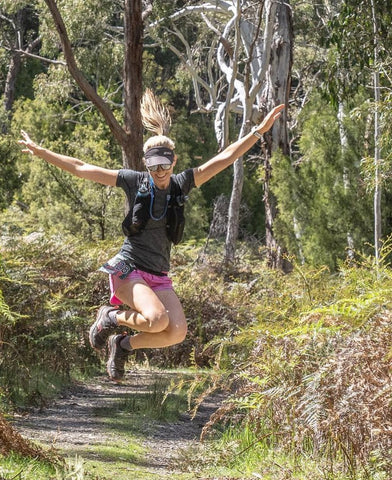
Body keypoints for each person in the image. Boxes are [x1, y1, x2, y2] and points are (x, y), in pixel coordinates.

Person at [19, 90, 284, 382]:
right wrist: (42, 152)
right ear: (146, 164)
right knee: (156, 320)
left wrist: (259, 131)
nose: (159, 171)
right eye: (153, 166)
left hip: (158, 274)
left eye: (165, 166)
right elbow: (83, 169)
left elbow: (225, 157)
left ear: (174, 161)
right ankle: (109, 317)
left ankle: (122, 344)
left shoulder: (182, 184)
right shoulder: (135, 182)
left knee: (175, 332)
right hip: (128, 269)